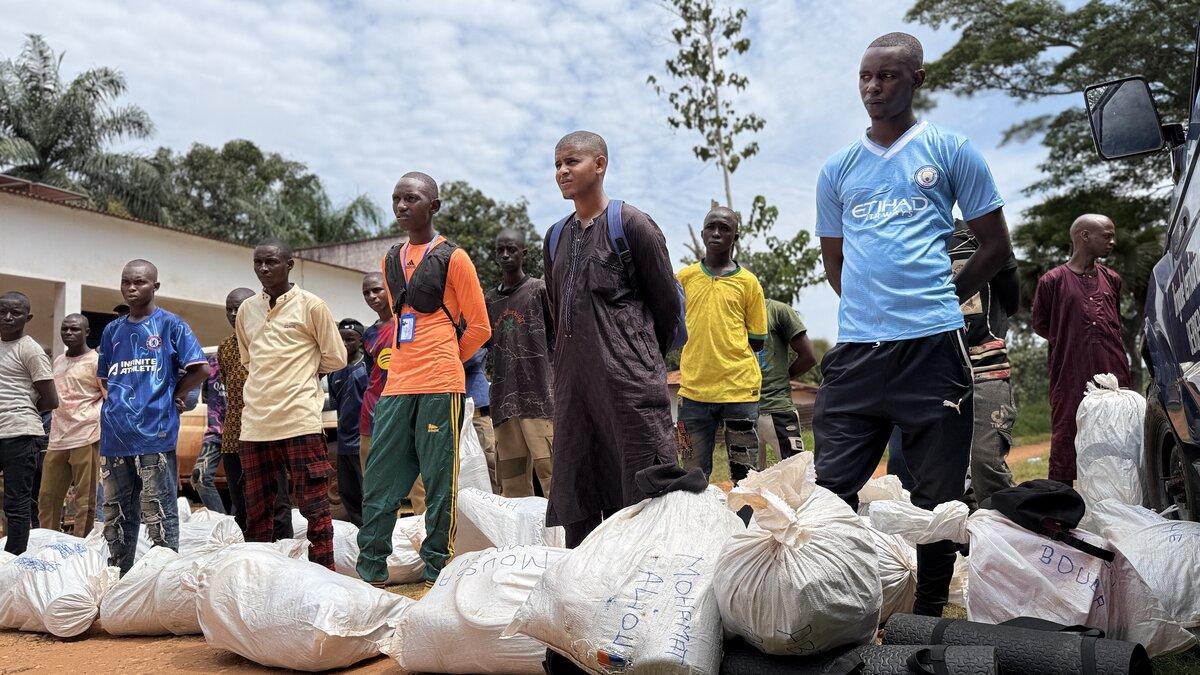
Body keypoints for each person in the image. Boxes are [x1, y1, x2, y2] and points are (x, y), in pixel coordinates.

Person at [813, 33, 1012, 617]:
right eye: (865, 77)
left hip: (932, 350)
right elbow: (835, 263)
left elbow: (996, 247)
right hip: (857, 353)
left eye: (888, 76)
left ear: (916, 79)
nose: (873, 88)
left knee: (937, 496)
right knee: (830, 488)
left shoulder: (951, 150)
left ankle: (926, 612)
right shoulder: (838, 170)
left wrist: (937, 298)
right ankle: (833, 602)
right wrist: (873, 311)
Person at [543, 131, 680, 547]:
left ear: (599, 165)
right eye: (557, 165)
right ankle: (585, 591)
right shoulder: (554, 237)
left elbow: (667, 309)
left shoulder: (632, 225)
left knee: (643, 492)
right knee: (580, 484)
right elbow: (555, 311)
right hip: (574, 391)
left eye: (572, 162)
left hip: (629, 390)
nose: (562, 171)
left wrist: (633, 359)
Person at [357, 172, 490, 586]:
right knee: (380, 481)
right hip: (397, 387)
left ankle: (438, 572)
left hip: (440, 386)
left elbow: (480, 327)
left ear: (433, 205)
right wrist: (407, 361)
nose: (400, 206)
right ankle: (371, 573)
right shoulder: (389, 258)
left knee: (438, 484)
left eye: (410, 198)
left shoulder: (455, 257)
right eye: (395, 198)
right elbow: (401, 323)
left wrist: (448, 359)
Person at [237, 240, 347, 571]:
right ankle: (261, 580)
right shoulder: (246, 310)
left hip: (300, 421)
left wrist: (300, 374)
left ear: (289, 264)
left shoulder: (311, 306)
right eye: (258, 262)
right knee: (258, 513)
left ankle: (325, 578)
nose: (264, 268)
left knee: (315, 509)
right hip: (255, 425)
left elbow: (335, 356)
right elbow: (248, 361)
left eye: (271, 262)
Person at [96, 261, 208, 573]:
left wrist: (175, 392)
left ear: (155, 287)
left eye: (140, 282)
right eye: (126, 282)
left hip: (154, 434)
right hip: (115, 435)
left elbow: (201, 368)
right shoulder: (112, 330)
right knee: (117, 514)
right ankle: (119, 578)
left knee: (159, 511)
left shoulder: (171, 325)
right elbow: (104, 378)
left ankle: (163, 579)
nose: (132, 288)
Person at [1031, 214, 1130, 486]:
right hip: (1069, 374)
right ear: (1084, 237)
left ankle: (1125, 499)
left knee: (1119, 433)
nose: (1112, 241)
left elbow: (1114, 320)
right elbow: (1041, 325)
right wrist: (1072, 338)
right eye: (1106, 235)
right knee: (1066, 435)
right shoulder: (1052, 281)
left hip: (1114, 372)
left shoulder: (1112, 278)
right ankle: (1061, 505)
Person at [676, 206, 768, 482]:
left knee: (746, 477)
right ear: (703, 233)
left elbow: (757, 341)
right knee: (690, 475)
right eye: (711, 227)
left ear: (735, 237)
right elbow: (669, 327)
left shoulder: (749, 283)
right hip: (693, 393)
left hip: (739, 392)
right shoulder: (684, 279)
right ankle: (698, 526)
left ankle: (745, 525)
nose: (717, 233)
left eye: (725, 228)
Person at [486, 228, 555, 498]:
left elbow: (561, 336)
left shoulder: (539, 290)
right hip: (504, 403)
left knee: (552, 477)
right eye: (500, 250)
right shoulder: (490, 300)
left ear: (523, 253)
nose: (505, 255)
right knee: (512, 488)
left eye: (511, 249)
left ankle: (563, 539)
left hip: (539, 399)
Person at [217, 288, 291, 537]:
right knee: (242, 506)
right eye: (229, 308)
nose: (233, 313)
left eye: (239, 307)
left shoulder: (273, 339)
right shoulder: (225, 347)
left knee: (277, 503)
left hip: (267, 433)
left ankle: (283, 559)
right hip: (233, 438)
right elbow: (230, 388)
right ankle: (251, 561)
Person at [359, 272, 425, 514]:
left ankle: (427, 541)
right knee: (376, 482)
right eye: (366, 292)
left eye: (377, 289)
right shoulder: (369, 334)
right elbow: (371, 375)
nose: (372, 296)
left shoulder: (407, 323)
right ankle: (385, 542)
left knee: (418, 484)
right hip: (372, 413)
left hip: (405, 410)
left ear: (389, 288)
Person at [0, 291, 58, 554]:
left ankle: (14, 562)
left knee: (16, 503)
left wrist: (23, 409)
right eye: (3, 311)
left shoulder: (31, 350)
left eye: (16, 313)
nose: (8, 317)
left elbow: (51, 400)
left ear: (28, 317)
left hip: (21, 434)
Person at [40, 314, 102, 534]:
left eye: (75, 329)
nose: (68, 333)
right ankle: (48, 546)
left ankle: (80, 549)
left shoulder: (96, 361)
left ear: (87, 332)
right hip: (58, 437)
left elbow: (108, 396)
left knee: (85, 501)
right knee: (48, 498)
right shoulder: (58, 361)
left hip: (86, 435)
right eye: (65, 329)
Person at [756, 299, 817, 465]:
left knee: (746, 483)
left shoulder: (777, 310)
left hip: (774, 410)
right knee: (794, 476)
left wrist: (782, 377)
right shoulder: (733, 313)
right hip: (745, 412)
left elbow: (809, 357)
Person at [327, 318, 369, 526]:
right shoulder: (334, 371)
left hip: (364, 441)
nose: (344, 344)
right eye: (341, 339)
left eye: (350, 339)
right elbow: (336, 404)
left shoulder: (369, 369)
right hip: (344, 443)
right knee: (347, 493)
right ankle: (357, 532)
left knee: (368, 493)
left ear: (360, 341)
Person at [192, 350, 226, 513]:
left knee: (241, 485)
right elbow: (205, 395)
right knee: (200, 477)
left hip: (241, 432)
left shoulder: (252, 356)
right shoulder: (214, 361)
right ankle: (225, 523)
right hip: (216, 431)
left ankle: (241, 527)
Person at [464, 348, 500, 494]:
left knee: (489, 458)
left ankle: (496, 500)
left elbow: (473, 357)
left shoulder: (476, 333)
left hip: (477, 409)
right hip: (450, 407)